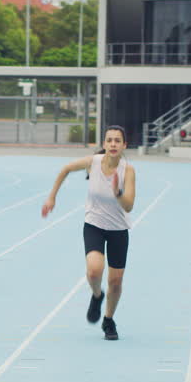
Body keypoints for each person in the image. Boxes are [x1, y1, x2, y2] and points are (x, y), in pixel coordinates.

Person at [40, 125, 137, 341]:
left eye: (117, 141)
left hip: (118, 230)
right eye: (109, 140)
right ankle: (97, 295)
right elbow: (65, 169)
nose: (113, 144)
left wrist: (118, 193)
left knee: (116, 282)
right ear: (104, 144)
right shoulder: (92, 163)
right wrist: (52, 197)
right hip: (94, 225)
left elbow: (129, 206)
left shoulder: (128, 170)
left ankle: (108, 319)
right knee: (94, 271)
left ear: (124, 146)